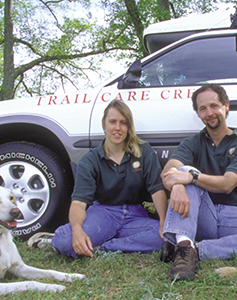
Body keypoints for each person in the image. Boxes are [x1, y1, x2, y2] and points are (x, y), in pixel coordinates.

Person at [160, 84, 237, 281]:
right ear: (198, 114)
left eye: (214, 106)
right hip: (201, 215)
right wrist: (178, 184)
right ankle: (183, 249)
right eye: (202, 109)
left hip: (235, 215)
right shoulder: (193, 142)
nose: (209, 113)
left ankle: (195, 248)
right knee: (181, 171)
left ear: (226, 106)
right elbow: (169, 170)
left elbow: (227, 184)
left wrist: (193, 177)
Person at [27, 99, 167, 258]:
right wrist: (77, 230)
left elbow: (157, 189)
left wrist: (163, 222)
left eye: (123, 123)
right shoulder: (90, 160)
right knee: (65, 242)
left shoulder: (143, 151)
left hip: (134, 215)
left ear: (129, 127)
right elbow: (79, 203)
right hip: (103, 213)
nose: (117, 128)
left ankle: (103, 247)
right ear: (104, 124)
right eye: (112, 122)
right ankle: (59, 238)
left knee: (165, 237)